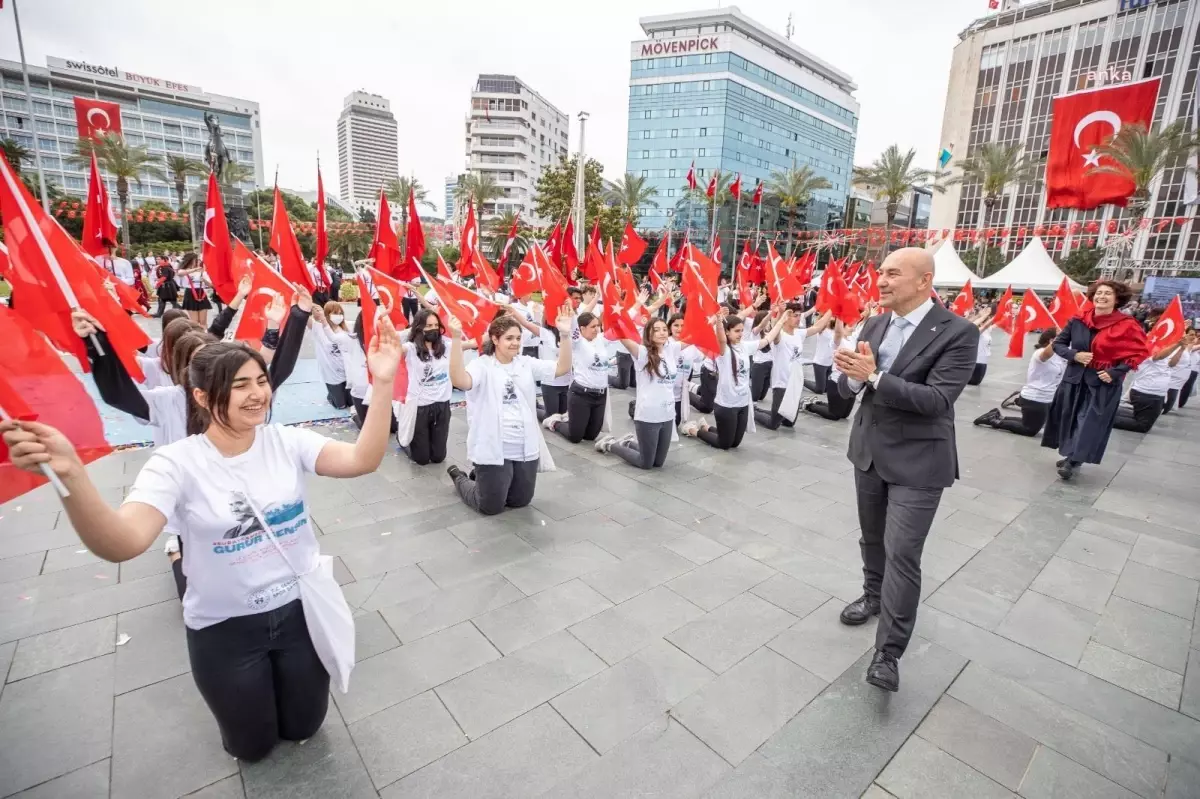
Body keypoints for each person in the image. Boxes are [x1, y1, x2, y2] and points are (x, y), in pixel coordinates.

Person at [1, 315, 403, 763]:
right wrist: (73, 477)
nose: (257, 395)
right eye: (240, 385)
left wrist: (382, 382)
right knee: (251, 747)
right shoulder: (175, 464)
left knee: (305, 725)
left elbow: (363, 459)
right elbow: (123, 542)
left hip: (299, 613)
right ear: (201, 395)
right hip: (226, 629)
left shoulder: (286, 442)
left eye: (261, 381)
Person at [832, 247, 979, 693]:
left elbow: (937, 400)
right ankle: (872, 594)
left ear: (924, 281)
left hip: (919, 462)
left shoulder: (959, 332)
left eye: (893, 273)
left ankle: (888, 652)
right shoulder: (875, 322)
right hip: (869, 453)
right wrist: (854, 378)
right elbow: (847, 387)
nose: (881, 279)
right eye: (880, 271)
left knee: (902, 554)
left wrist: (875, 378)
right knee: (872, 538)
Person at [446, 310, 573, 515]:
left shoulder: (526, 363)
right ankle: (459, 477)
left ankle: (486, 479)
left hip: (524, 448)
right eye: (509, 338)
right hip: (495, 448)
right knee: (490, 507)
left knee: (520, 501)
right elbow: (460, 381)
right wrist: (455, 339)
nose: (515, 343)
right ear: (495, 339)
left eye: (518, 338)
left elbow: (562, 368)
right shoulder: (482, 365)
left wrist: (565, 335)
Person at [1042, 280, 1148, 480]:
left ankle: (1073, 460)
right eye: (1099, 292)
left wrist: (1116, 372)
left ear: (1117, 299)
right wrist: (1075, 355)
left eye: (1108, 293)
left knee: (1088, 421)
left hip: (1102, 382)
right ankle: (1072, 454)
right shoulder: (1078, 320)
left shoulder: (1127, 325)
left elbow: (1139, 353)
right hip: (1074, 378)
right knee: (1070, 417)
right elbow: (1059, 344)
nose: (1102, 296)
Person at [596, 317, 678, 469]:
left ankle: (627, 443)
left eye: (664, 329)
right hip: (648, 415)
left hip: (667, 414)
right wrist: (614, 319)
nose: (662, 333)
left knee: (658, 463)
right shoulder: (642, 353)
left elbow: (697, 336)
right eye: (656, 330)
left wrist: (717, 321)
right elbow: (623, 338)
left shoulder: (671, 350)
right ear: (648, 333)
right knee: (645, 463)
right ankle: (611, 445)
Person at [682, 312, 760, 450]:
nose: (741, 334)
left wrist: (781, 318)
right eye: (737, 331)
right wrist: (718, 321)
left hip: (742, 403)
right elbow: (722, 340)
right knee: (724, 444)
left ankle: (706, 427)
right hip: (726, 404)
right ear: (727, 332)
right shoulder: (723, 351)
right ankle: (693, 430)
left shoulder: (744, 346)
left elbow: (767, 340)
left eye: (742, 330)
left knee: (734, 444)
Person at [974, 329, 1065, 436]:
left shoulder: (1060, 357)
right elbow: (1046, 355)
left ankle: (997, 416)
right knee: (1029, 430)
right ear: (1051, 341)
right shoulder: (1040, 353)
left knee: (1033, 423)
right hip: (1035, 397)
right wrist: (1063, 336)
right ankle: (995, 421)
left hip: (1046, 397)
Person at [755, 307, 829, 431]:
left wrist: (831, 309)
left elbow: (817, 327)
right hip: (782, 384)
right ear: (787, 317)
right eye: (795, 315)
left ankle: (770, 411)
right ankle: (753, 413)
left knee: (789, 423)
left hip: (795, 383)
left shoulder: (799, 333)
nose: (798, 318)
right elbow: (775, 330)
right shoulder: (780, 335)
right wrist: (779, 314)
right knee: (774, 424)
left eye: (799, 315)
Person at [395, 309, 452, 465]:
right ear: (419, 328)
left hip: (441, 404)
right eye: (428, 325)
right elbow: (395, 350)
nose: (433, 329)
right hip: (420, 405)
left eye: (435, 325)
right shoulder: (411, 348)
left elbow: (474, 343)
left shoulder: (446, 344)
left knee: (438, 457)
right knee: (421, 459)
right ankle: (403, 439)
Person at [543, 311, 610, 444]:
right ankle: (554, 422)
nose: (597, 329)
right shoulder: (578, 342)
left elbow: (620, 325)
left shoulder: (601, 339)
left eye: (598, 326)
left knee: (590, 436)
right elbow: (573, 327)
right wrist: (571, 313)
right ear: (582, 329)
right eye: (593, 326)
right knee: (575, 437)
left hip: (600, 395)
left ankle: (569, 418)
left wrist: (636, 306)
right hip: (581, 394)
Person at [805, 313, 867, 422]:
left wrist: (868, 313)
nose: (854, 324)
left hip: (851, 382)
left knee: (845, 415)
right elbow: (838, 332)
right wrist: (839, 314)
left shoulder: (853, 338)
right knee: (835, 415)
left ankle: (818, 402)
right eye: (850, 323)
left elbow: (864, 324)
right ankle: (808, 406)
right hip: (837, 381)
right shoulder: (837, 341)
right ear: (844, 326)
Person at [1111, 339, 1181, 433]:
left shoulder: (1161, 353)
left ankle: (1110, 413)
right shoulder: (1148, 352)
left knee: (1141, 418)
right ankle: (1107, 419)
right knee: (1142, 425)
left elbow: (1172, 364)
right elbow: (1158, 356)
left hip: (1154, 394)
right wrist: (1177, 344)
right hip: (1147, 393)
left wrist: (1182, 348)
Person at [309, 301, 351, 409]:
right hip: (332, 375)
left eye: (340, 313)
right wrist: (311, 305)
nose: (339, 316)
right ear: (327, 314)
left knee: (351, 403)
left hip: (347, 373)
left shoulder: (345, 329)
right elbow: (304, 317)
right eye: (335, 313)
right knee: (340, 406)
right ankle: (331, 395)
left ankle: (337, 394)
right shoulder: (318, 328)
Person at [537, 313, 572, 422]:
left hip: (565, 382)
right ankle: (533, 408)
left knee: (562, 415)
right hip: (550, 382)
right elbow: (526, 324)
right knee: (551, 417)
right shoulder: (545, 333)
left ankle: (537, 406)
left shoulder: (567, 333)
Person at [1161, 329, 1197, 414]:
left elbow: (1192, 345)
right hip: (1171, 384)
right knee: (1164, 410)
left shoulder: (1187, 348)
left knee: (1166, 409)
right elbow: (1171, 364)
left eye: (1194, 335)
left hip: (1177, 385)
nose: (1194, 337)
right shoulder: (1178, 349)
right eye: (1191, 335)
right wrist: (1181, 349)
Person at [177, 253, 212, 327]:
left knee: (203, 321)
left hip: (201, 293)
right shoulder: (184, 270)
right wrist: (195, 269)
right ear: (191, 260)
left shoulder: (202, 272)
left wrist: (204, 280)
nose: (199, 261)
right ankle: (196, 336)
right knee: (194, 322)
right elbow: (180, 273)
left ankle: (204, 336)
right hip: (190, 293)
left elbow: (211, 285)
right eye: (197, 260)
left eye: (199, 260)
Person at [967, 312, 995, 385]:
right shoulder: (978, 331)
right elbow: (985, 326)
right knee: (974, 383)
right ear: (982, 323)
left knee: (977, 382)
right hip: (977, 362)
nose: (990, 324)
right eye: (988, 322)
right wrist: (995, 316)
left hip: (984, 362)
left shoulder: (988, 331)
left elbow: (997, 324)